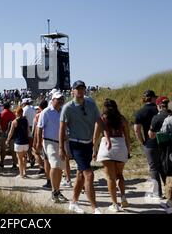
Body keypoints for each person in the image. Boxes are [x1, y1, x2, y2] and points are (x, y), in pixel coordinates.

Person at [60, 80, 104, 214]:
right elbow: (62, 129)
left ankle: (73, 202)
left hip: (88, 143)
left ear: (85, 90)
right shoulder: (68, 107)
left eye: (82, 88)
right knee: (89, 174)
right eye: (77, 89)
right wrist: (61, 148)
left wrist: (100, 140)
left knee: (80, 174)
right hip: (75, 144)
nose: (79, 91)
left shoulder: (91, 103)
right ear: (72, 91)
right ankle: (95, 208)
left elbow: (99, 121)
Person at [94, 99, 130, 212]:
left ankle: (115, 204)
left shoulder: (102, 119)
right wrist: (128, 150)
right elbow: (127, 137)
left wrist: (94, 150)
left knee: (110, 178)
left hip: (107, 147)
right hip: (120, 145)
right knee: (120, 174)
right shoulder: (122, 118)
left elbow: (95, 138)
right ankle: (123, 197)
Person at [37, 92, 69, 203]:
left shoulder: (63, 111)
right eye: (58, 99)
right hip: (49, 142)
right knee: (55, 165)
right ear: (53, 100)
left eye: (62, 99)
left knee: (60, 167)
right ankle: (53, 191)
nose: (60, 101)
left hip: (61, 143)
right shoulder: (46, 112)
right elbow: (39, 128)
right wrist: (38, 143)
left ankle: (57, 191)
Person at [134, 90, 162, 199]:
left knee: (154, 168)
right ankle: (171, 191)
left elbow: (137, 130)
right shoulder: (159, 110)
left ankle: (158, 193)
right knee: (164, 167)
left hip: (150, 143)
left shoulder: (140, 112)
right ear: (153, 98)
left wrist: (143, 142)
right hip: (163, 141)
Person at [6, 107, 30, 179]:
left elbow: (10, 133)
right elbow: (28, 131)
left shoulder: (14, 122)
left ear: (17, 113)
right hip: (25, 142)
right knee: (24, 157)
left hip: (18, 142)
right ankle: (25, 172)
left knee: (19, 159)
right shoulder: (26, 120)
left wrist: (7, 140)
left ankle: (21, 174)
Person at [33, 100, 49, 178]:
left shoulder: (38, 115)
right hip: (48, 137)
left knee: (36, 152)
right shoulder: (50, 112)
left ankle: (42, 167)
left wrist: (35, 140)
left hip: (41, 137)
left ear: (39, 107)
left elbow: (36, 129)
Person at [0, 102, 17, 170]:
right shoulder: (12, 114)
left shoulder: (1, 114)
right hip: (11, 133)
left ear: (3, 106)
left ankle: (2, 163)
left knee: (3, 149)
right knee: (13, 150)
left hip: (3, 133)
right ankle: (14, 164)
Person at [22, 98, 37, 168]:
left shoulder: (24, 109)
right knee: (31, 144)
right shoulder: (33, 108)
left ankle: (31, 158)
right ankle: (31, 158)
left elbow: (23, 119)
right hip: (33, 127)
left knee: (28, 145)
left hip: (27, 128)